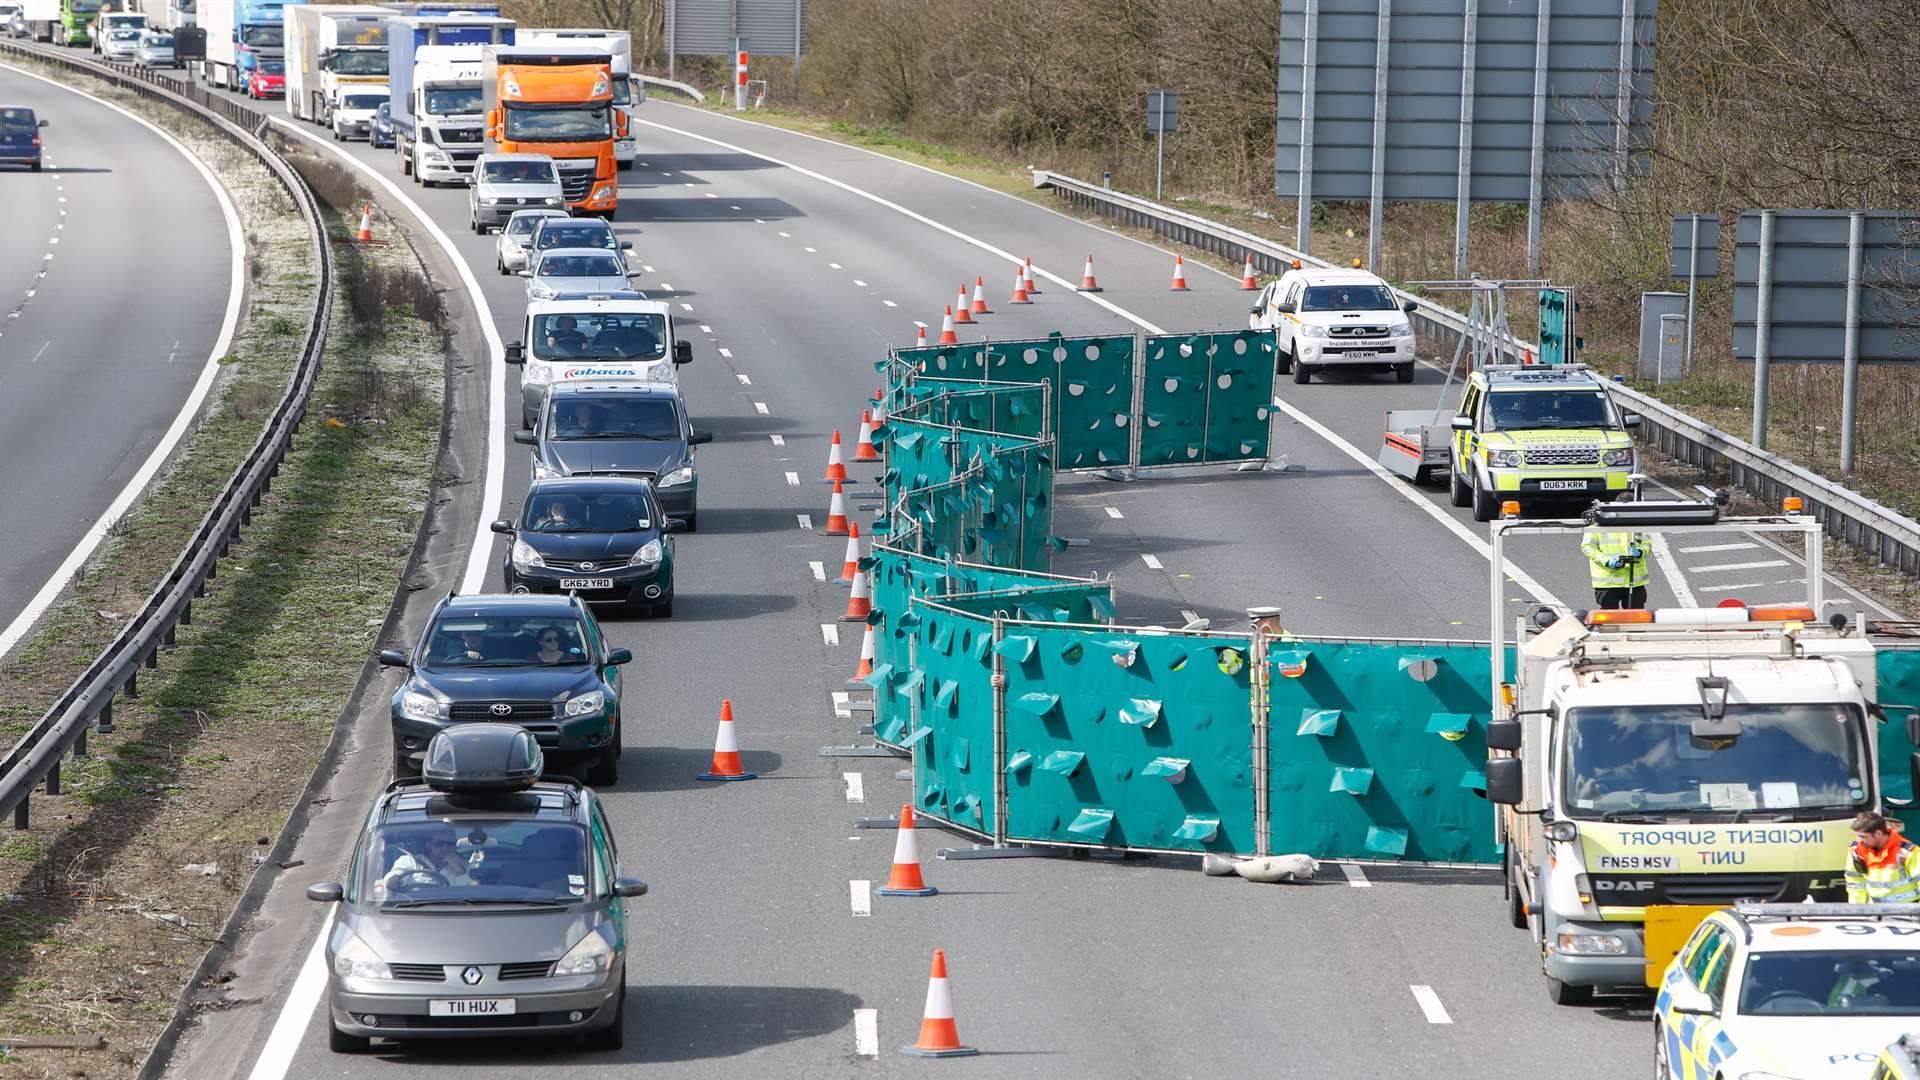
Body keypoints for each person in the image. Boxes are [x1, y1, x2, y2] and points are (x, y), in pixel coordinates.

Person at [1581, 492, 1650, 609]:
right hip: (1608, 580)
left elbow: (1647, 544)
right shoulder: (1599, 525)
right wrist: (1607, 561)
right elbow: (1587, 547)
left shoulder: (1638, 524)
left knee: (1636, 618)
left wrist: (1641, 551)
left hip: (1634, 581)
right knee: (1610, 618)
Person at [1845, 811, 1920, 904]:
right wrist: (1857, 910)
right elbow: (1855, 883)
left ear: (1878, 834)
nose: (1859, 841)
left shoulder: (1908, 852)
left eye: (1862, 837)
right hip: (1874, 912)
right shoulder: (1858, 851)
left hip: (1906, 912)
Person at [381, 826, 476, 894]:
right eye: (439, 844)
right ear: (429, 845)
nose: (445, 848)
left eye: (450, 844)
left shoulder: (464, 866)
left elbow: (472, 890)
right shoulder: (409, 861)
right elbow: (395, 873)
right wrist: (392, 879)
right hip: (414, 907)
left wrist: (459, 869)